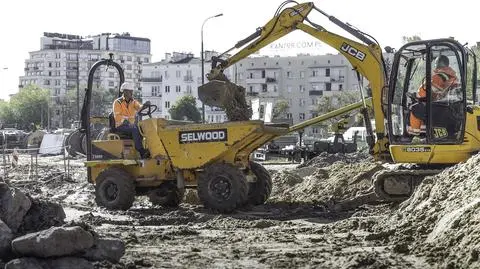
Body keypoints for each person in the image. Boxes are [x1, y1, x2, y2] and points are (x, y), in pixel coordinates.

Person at [408, 55, 458, 136]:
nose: (434, 65)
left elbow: (425, 93)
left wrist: (416, 96)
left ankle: (415, 136)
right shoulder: (451, 76)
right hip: (446, 106)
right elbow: (437, 93)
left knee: (415, 108)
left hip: (441, 108)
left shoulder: (439, 77)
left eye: (435, 63)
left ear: (439, 64)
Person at [113, 82, 151, 158]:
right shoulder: (117, 102)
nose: (131, 93)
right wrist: (126, 120)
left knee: (143, 128)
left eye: (131, 91)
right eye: (129, 91)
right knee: (134, 129)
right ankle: (141, 150)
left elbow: (139, 107)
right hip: (121, 125)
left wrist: (144, 106)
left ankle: (149, 148)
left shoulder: (133, 102)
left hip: (131, 125)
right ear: (124, 91)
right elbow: (117, 116)